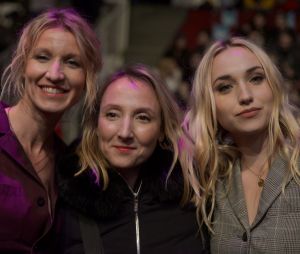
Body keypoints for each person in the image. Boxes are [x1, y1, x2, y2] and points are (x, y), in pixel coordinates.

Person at [57, 64, 209, 254]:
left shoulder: (194, 193)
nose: (125, 132)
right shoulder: (63, 198)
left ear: (162, 130)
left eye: (142, 118)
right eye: (112, 115)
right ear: (96, 123)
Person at [182, 37, 300, 253]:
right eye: (225, 87)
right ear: (210, 104)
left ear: (274, 86)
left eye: (256, 79)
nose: (245, 96)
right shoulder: (211, 181)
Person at [0, 8, 101, 253]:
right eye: (43, 57)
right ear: (23, 65)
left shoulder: (68, 165)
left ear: (86, 78)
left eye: (71, 62)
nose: (55, 74)